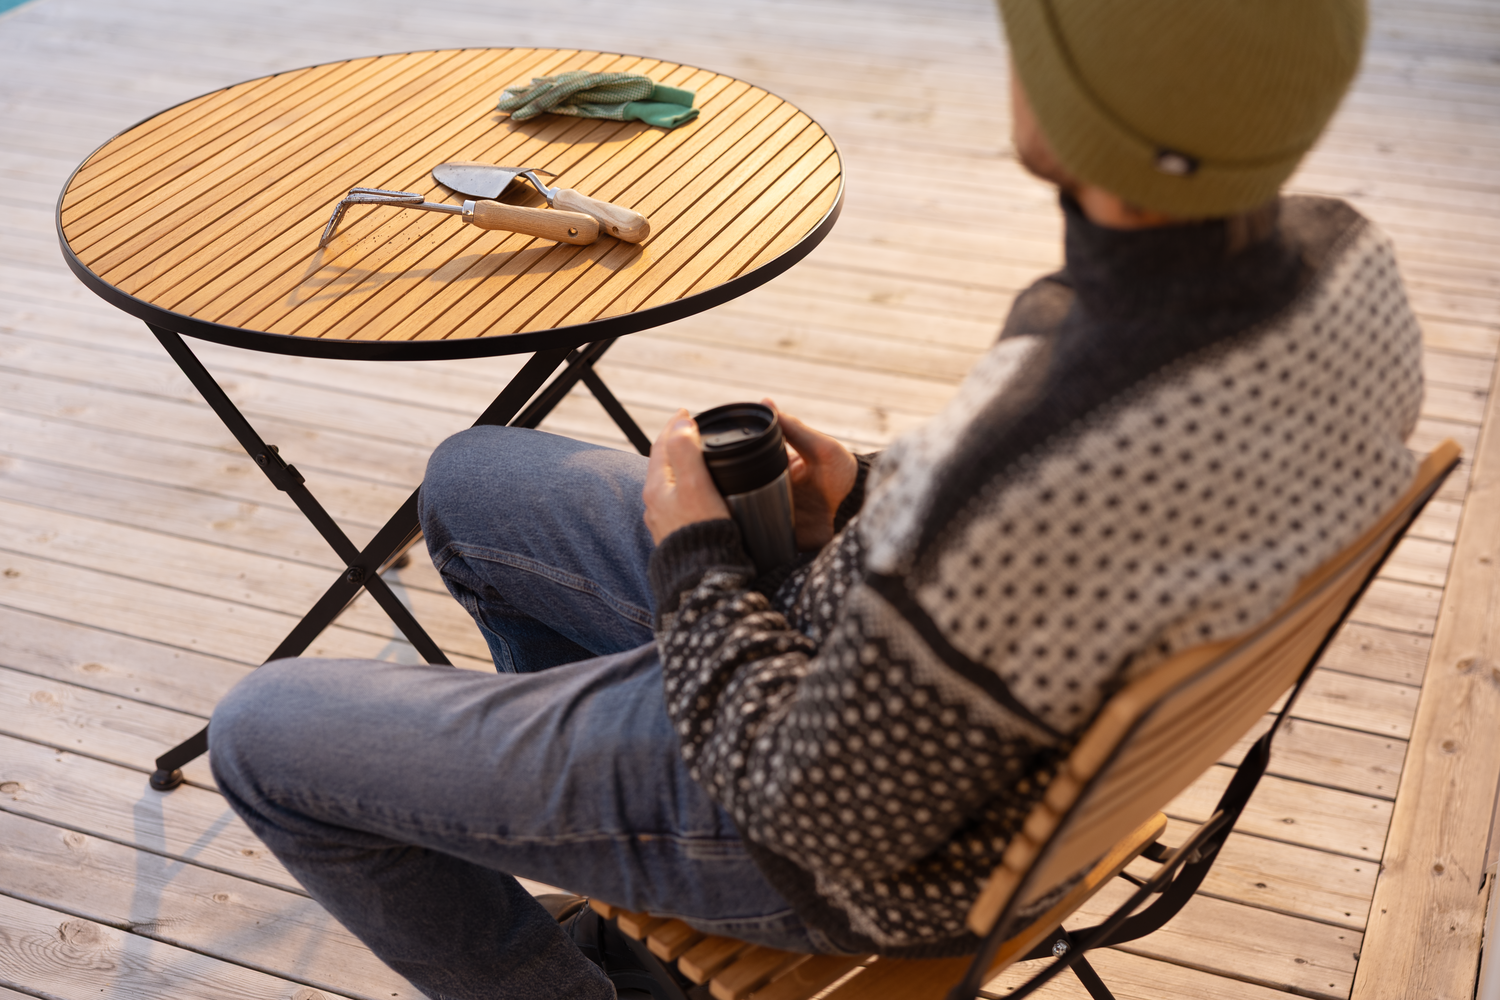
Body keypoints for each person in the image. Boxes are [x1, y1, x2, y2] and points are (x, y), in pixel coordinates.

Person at [209, 0, 1423, 997]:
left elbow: (811, 808)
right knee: (471, 482)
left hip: (839, 836)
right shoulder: (1345, 263)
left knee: (261, 738)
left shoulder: (1043, 443)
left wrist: (697, 557)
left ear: (1077, 109)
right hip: (962, 706)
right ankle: (621, 887)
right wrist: (874, 496)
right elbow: (1073, 534)